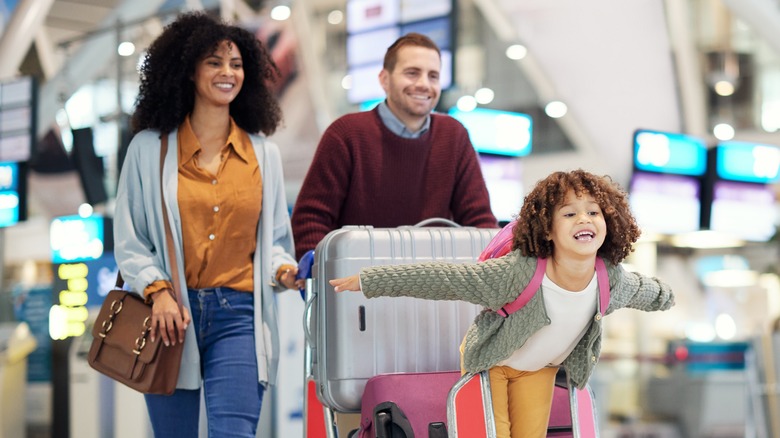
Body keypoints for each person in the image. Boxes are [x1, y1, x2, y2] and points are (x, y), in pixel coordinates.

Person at [330, 169, 675, 438]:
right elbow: (445, 279)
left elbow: (646, 290)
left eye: (593, 212)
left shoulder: (610, 279)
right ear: (548, 231)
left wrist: (668, 296)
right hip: (492, 363)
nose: (584, 219)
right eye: (569, 214)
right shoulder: (517, 273)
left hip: (539, 369)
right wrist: (370, 280)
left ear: (609, 222)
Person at [113, 11, 298, 437]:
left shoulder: (262, 153)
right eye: (214, 62)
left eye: (235, 64)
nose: (227, 72)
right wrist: (157, 291)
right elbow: (130, 237)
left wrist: (285, 272)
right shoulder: (148, 149)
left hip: (240, 316)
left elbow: (272, 242)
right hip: (170, 316)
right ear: (189, 69)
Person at [291, 32, 497, 259]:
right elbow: (311, 218)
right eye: (412, 73)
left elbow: (480, 220)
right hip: (356, 283)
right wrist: (317, 273)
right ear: (384, 79)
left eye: (433, 76)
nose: (424, 84)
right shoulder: (346, 134)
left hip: (434, 283)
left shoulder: (454, 135)